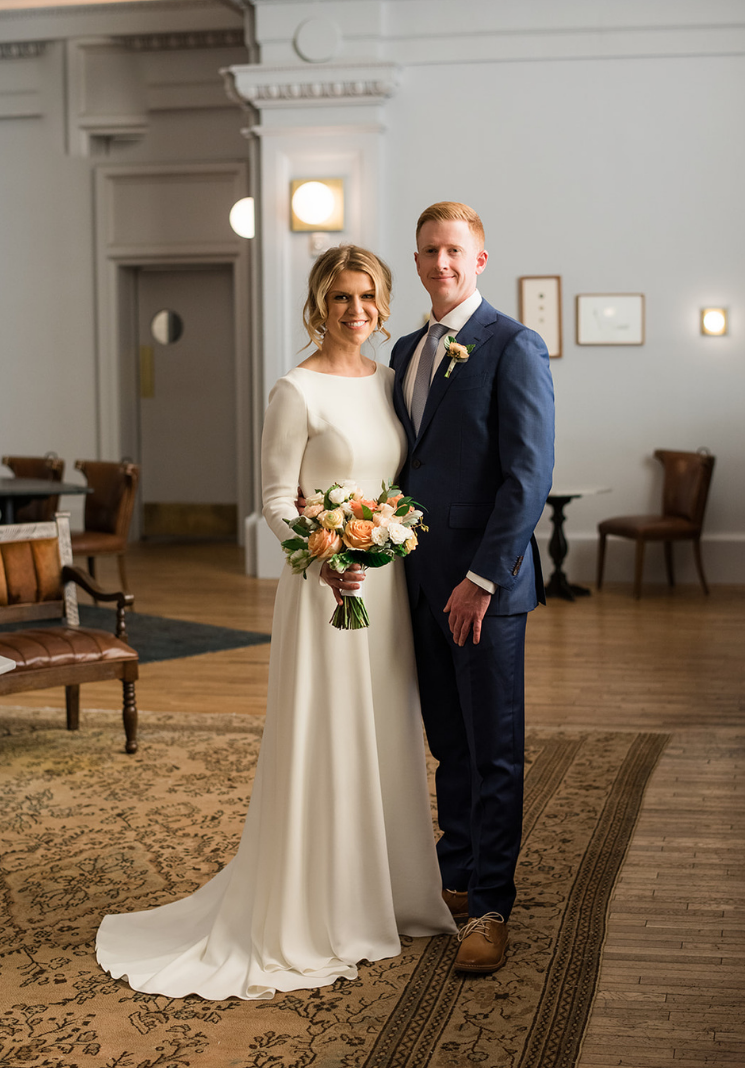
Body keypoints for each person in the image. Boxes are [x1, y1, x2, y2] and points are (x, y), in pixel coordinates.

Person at [95, 245, 456, 1000]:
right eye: (339, 299)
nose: (355, 311)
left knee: (386, 730)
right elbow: (276, 496)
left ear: (383, 304)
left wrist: (380, 539)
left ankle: (388, 894)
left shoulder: (392, 384)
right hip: (325, 587)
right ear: (318, 306)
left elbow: (394, 487)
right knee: (325, 734)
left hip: (381, 589)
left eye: (366, 297)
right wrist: (322, 560)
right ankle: (316, 905)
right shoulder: (295, 389)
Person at [364, 201, 553, 973]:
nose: (440, 263)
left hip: (485, 589)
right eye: (427, 252)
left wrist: (481, 578)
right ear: (415, 263)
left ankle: (492, 908)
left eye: (453, 251)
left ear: (479, 259)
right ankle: (455, 876)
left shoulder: (513, 345)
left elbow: (527, 476)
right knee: (448, 742)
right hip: (416, 584)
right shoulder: (407, 348)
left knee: (493, 746)